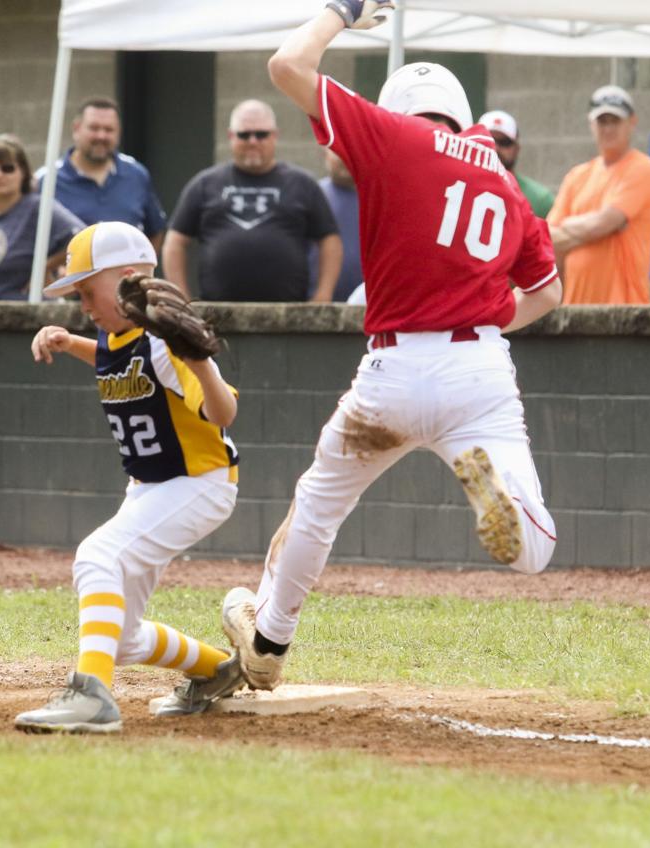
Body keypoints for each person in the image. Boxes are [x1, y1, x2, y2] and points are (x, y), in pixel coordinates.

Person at [220, 3, 563, 692]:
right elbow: (550, 293)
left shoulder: (393, 134)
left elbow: (287, 66)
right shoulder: (502, 178)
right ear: (460, 114)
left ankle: (269, 639)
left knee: (320, 503)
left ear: (401, 108)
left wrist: (341, 11)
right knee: (533, 551)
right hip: (481, 369)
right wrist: (492, 310)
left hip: (395, 369)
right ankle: (515, 516)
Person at [14, 221, 244, 733]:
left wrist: (201, 362)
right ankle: (218, 671)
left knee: (97, 556)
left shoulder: (165, 342)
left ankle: (90, 696)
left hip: (197, 483)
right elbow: (118, 359)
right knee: (119, 636)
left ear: (131, 278)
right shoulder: (118, 333)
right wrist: (70, 340)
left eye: (86, 290)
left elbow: (223, 411)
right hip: (150, 487)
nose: (82, 303)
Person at [162, 99, 343, 302]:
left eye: (261, 134)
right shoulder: (205, 183)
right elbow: (175, 241)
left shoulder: (303, 183)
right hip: (216, 316)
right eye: (244, 134)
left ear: (275, 136)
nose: (253, 141)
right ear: (231, 136)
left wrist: (323, 295)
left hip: (289, 317)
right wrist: (181, 299)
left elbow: (330, 240)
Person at [547, 85, 650, 305]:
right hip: (574, 307)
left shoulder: (642, 168)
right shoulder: (577, 176)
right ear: (591, 124)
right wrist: (596, 229)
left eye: (615, 121)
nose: (608, 128)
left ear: (632, 122)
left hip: (626, 310)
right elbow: (549, 238)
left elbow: (602, 223)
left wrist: (570, 227)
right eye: (602, 121)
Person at [0, 133, 84, 300]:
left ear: (23, 172)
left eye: (7, 168)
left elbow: (84, 238)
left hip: (21, 313)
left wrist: (45, 266)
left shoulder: (39, 207)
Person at [35, 97, 167, 252]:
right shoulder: (46, 180)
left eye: (109, 130)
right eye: (94, 128)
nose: (101, 136)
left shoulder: (137, 174)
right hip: (69, 275)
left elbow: (156, 231)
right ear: (76, 129)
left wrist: (142, 267)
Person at [478, 110, 555, 219]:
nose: (496, 148)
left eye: (505, 142)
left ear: (517, 149)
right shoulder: (461, 186)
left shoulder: (540, 199)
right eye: (489, 140)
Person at [308, 148, 363, 301]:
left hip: (372, 308)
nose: (344, 158)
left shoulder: (383, 198)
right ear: (325, 154)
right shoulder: (312, 195)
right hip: (320, 305)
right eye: (338, 151)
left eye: (351, 150)